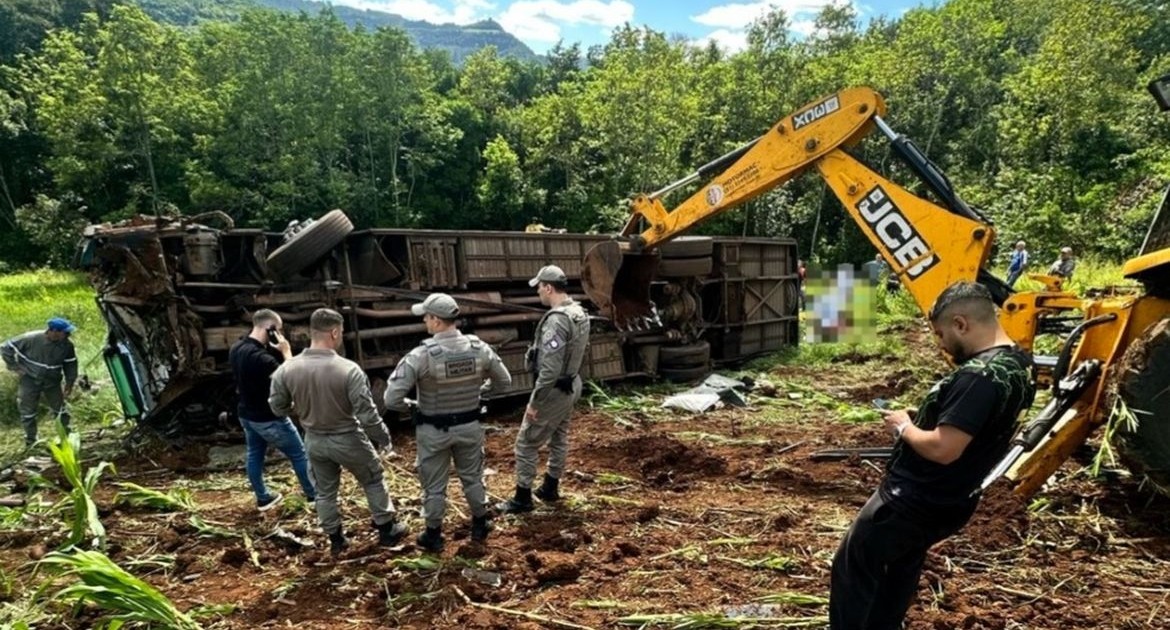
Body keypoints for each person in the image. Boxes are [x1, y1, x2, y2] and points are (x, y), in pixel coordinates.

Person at [829, 281, 1035, 630]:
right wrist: (930, 416)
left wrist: (903, 426)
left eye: (940, 334)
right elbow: (975, 426)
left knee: (853, 569)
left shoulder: (978, 377)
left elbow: (943, 448)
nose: (941, 343)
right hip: (950, 501)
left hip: (910, 500)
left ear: (961, 324)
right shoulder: (1020, 365)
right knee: (899, 570)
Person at [268, 308, 407, 556]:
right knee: (373, 479)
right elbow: (367, 414)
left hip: (314, 440)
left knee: (324, 492)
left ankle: (336, 540)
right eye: (341, 332)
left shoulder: (286, 370)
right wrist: (383, 438)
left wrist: (299, 410)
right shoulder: (348, 369)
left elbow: (277, 407)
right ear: (334, 332)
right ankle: (387, 530)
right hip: (348, 438)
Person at [383, 293, 512, 552]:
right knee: (473, 478)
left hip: (433, 430)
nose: (425, 322)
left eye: (426, 317)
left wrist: (414, 409)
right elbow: (505, 382)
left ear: (436, 320)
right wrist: (480, 391)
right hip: (470, 426)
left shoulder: (421, 355)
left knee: (434, 487)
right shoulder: (479, 348)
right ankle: (480, 524)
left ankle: (433, 535)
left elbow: (391, 398)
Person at [497, 265, 590, 514]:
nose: (538, 291)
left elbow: (549, 369)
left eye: (539, 286)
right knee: (559, 435)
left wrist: (534, 404)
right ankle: (550, 486)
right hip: (572, 383)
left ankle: (522, 498)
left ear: (548, 288)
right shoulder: (578, 312)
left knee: (526, 444)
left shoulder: (557, 321)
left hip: (554, 391)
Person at [229, 309, 315, 511]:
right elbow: (291, 376)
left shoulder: (237, 348)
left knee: (254, 454)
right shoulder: (261, 358)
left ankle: (263, 497)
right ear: (271, 330)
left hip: (246, 414)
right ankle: (314, 495)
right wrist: (286, 351)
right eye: (279, 330)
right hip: (269, 417)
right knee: (299, 454)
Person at [1, 318, 78, 447]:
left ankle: (67, 436)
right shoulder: (31, 338)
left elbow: (71, 364)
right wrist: (14, 366)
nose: (68, 335)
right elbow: (5, 347)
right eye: (65, 333)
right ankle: (31, 441)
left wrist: (69, 383)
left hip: (52, 381)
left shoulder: (67, 345)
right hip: (29, 380)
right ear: (53, 331)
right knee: (28, 411)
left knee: (60, 410)